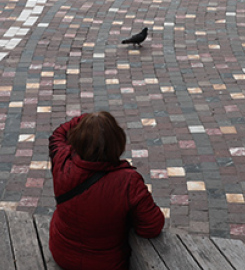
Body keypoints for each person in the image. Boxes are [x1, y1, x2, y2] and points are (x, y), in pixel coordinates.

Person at [48, 111, 165, 270]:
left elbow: (58, 133)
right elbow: (152, 226)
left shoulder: (61, 159)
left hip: (62, 254)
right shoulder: (128, 181)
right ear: (117, 142)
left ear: (77, 139)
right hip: (106, 264)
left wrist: (88, 121)